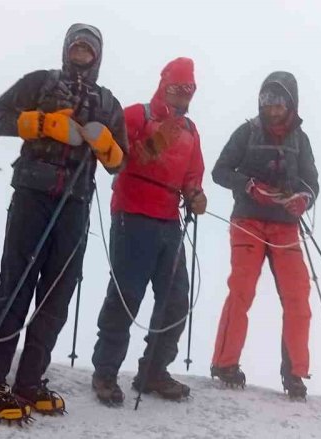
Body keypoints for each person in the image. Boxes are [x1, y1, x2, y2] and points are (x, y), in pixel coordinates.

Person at [0, 23, 127, 420]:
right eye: (76, 44)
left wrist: (108, 148)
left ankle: (29, 381)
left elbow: (120, 162)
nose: (82, 51)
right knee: (18, 284)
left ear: (98, 55)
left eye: (89, 47)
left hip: (75, 202)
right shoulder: (39, 82)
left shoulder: (108, 103)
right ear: (66, 49)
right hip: (33, 194)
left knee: (58, 291)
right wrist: (40, 123)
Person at [90, 57, 206, 406]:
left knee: (175, 301)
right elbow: (116, 160)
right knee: (126, 298)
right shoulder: (137, 115)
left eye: (188, 90)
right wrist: (153, 145)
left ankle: (153, 371)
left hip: (170, 220)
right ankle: (105, 373)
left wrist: (195, 193)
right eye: (177, 89)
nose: (183, 96)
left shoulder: (189, 129)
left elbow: (192, 172)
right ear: (164, 85)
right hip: (132, 215)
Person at [209, 71, 319, 401]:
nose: (272, 108)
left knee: (297, 296)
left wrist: (304, 199)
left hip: (285, 224)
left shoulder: (301, 140)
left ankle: (295, 373)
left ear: (291, 103)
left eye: (279, 101)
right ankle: (225, 364)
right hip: (249, 220)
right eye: (267, 101)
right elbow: (219, 171)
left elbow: (312, 183)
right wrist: (248, 186)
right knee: (241, 289)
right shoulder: (247, 132)